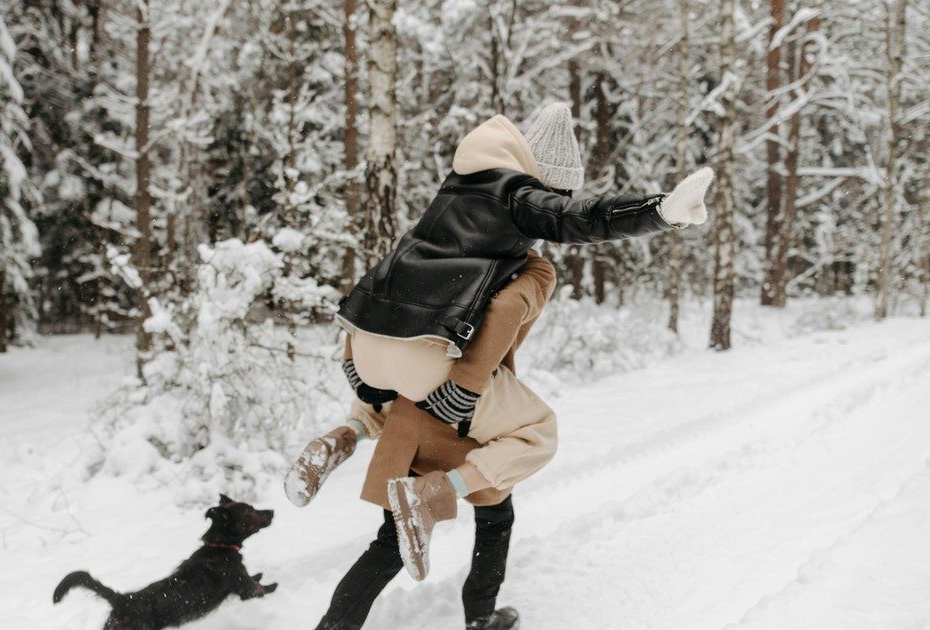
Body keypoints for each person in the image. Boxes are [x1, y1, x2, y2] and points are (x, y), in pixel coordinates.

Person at [291, 103, 714, 630]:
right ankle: (453, 541)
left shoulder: (453, 194)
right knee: (537, 433)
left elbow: (391, 274)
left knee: (405, 533)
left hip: (374, 347)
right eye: (553, 195)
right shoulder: (522, 224)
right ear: (541, 182)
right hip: (446, 384)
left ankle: (349, 437)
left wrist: (356, 362)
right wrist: (659, 212)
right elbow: (568, 229)